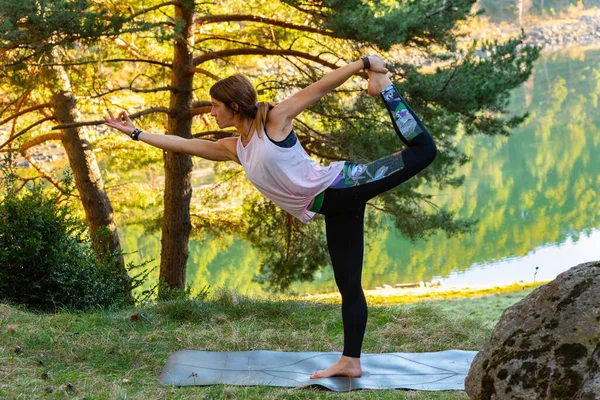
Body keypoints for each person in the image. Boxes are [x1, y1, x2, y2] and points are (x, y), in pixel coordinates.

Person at [104, 55, 437, 379]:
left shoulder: (275, 121)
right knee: (349, 286)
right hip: (334, 207)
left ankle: (385, 87)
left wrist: (363, 65)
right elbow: (182, 144)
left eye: (216, 106)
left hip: (344, 186)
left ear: (234, 106)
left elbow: (320, 88)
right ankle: (351, 361)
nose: (211, 112)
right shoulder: (234, 147)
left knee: (425, 150)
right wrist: (135, 133)